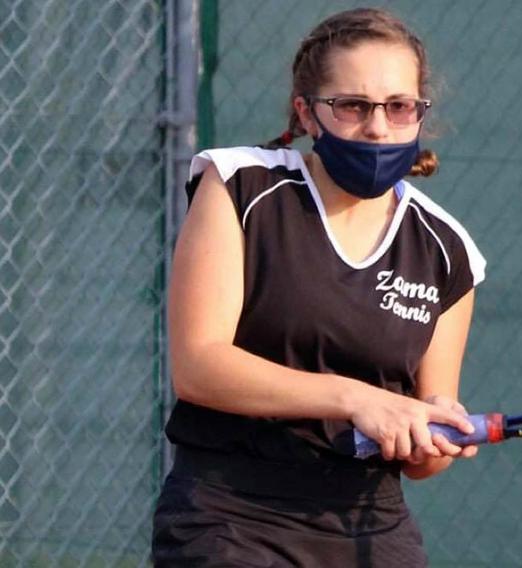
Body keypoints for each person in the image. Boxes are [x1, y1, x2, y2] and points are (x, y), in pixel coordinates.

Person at [151, 7, 486, 567]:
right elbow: (198, 366)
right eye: (352, 106)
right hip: (230, 517)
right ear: (307, 113)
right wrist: (357, 399)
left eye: (399, 107)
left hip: (370, 526)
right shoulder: (238, 185)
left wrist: (432, 434)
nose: (378, 126)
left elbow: (422, 462)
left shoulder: (447, 250)